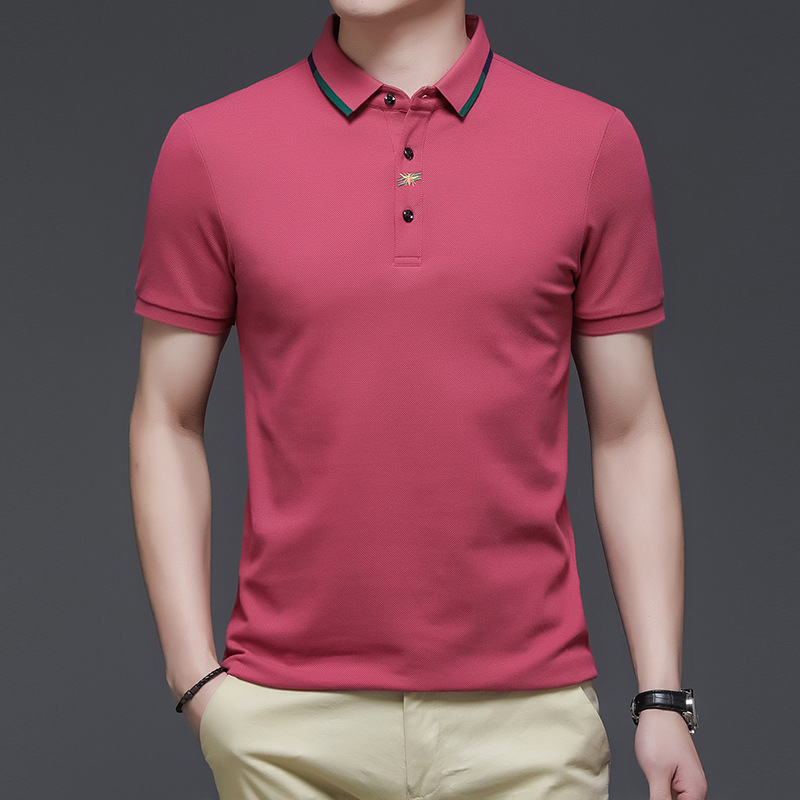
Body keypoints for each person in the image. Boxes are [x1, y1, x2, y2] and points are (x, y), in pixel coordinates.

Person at [128, 1, 707, 798]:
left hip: (527, 732)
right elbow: (165, 416)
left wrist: (662, 699)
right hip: (286, 732)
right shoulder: (212, 146)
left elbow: (629, 432)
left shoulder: (591, 143)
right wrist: (194, 680)